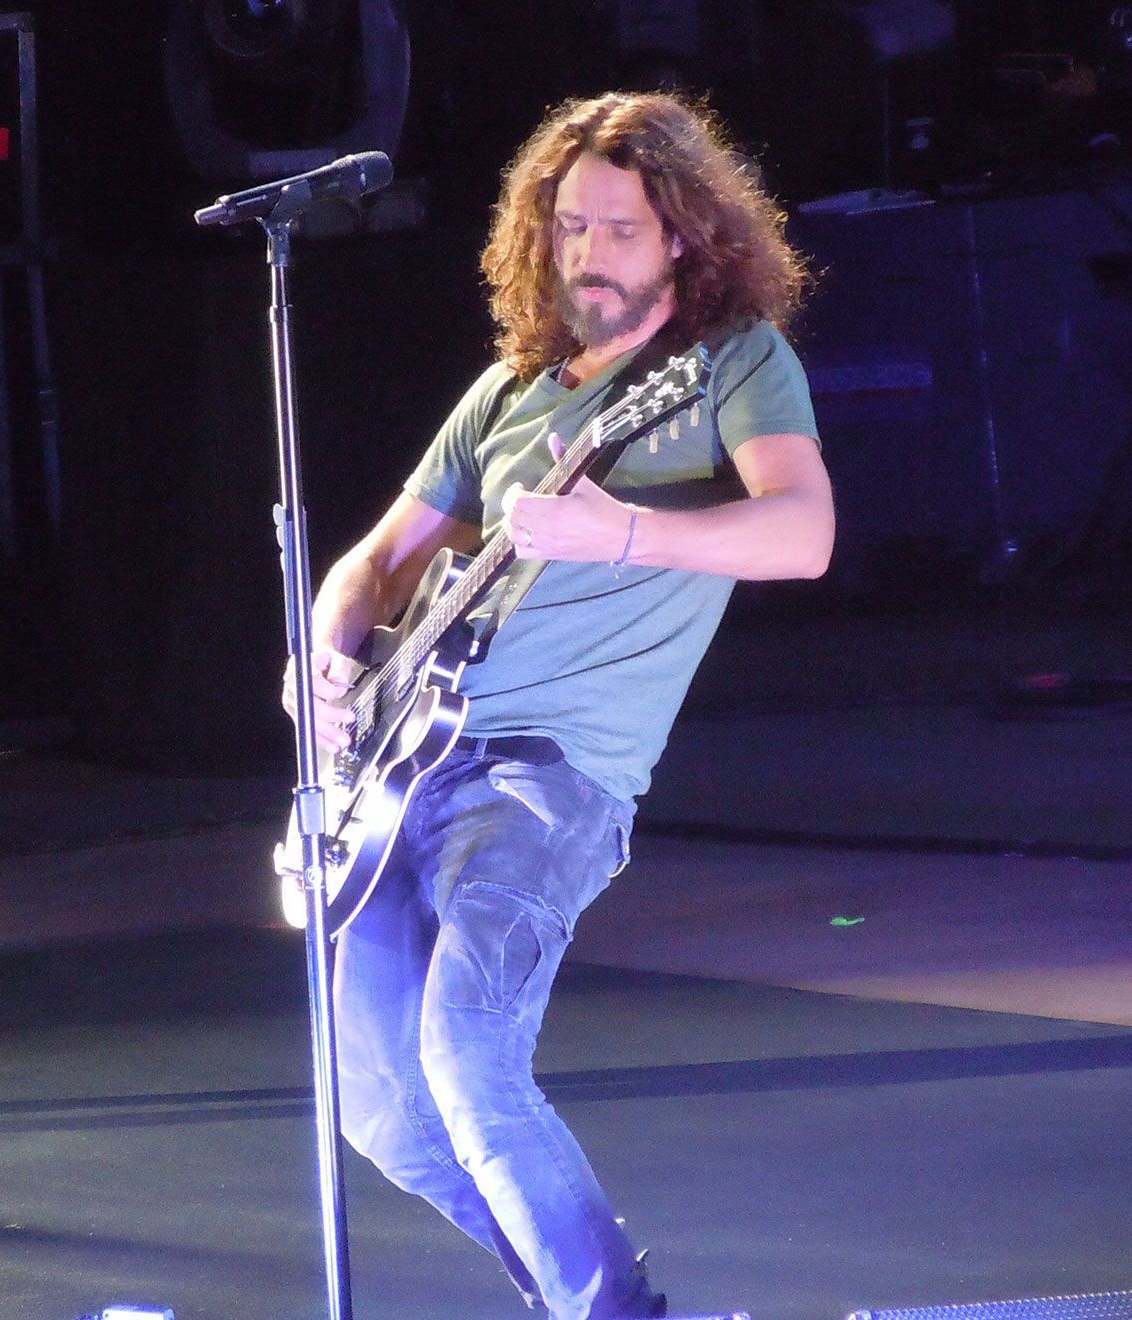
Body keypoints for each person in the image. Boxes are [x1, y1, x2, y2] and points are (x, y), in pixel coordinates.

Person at [285, 90, 835, 1319]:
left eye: (620, 230)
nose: (588, 253)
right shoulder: (509, 391)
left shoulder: (729, 363)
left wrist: (620, 529)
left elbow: (805, 535)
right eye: (570, 226)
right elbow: (368, 568)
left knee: (468, 1057)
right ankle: (578, 1298)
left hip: (548, 781)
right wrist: (326, 660)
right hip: (395, 776)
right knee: (382, 1115)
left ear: (685, 235)